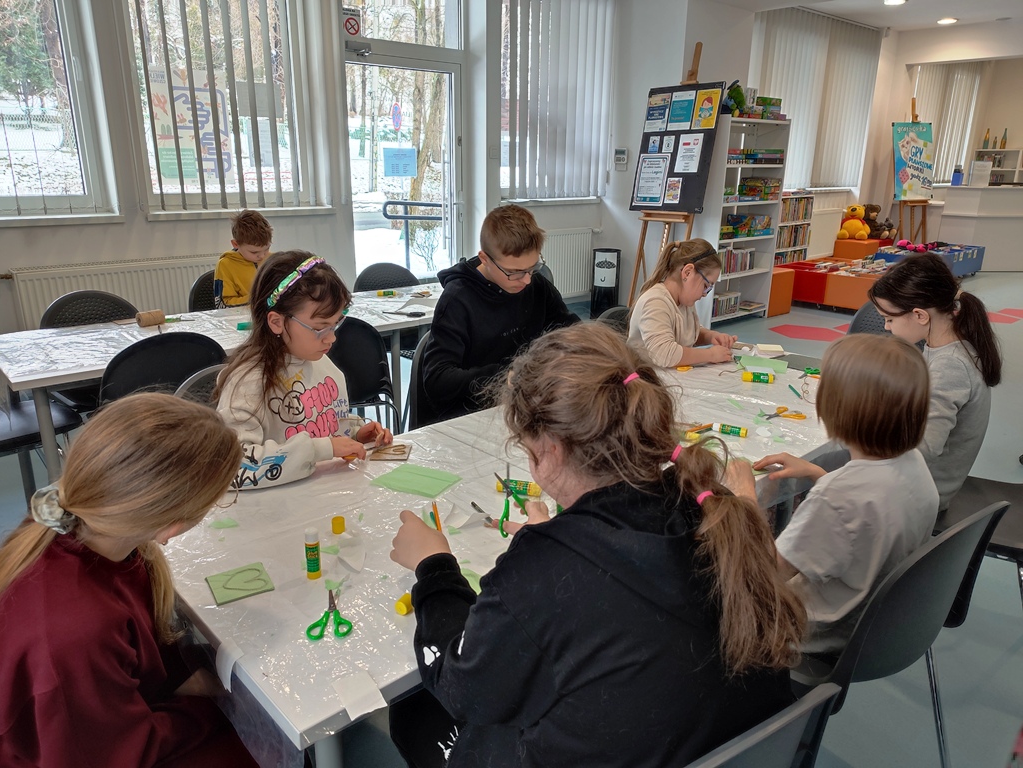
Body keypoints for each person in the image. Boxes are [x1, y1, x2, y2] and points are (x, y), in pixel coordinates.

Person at [389, 323, 806, 767]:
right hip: (748, 750)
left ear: (549, 451)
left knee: (413, 714)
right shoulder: (711, 506)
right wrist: (560, 540)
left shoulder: (540, 570)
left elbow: (462, 688)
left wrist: (434, 567)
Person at [0, 393, 258, 768]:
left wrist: (181, 679)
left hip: (99, 723)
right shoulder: (75, 632)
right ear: (170, 528)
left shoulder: (72, 525)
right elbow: (118, 753)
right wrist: (218, 707)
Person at [751, 334, 939, 655]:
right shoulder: (913, 464)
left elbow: (767, 571)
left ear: (835, 409)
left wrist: (745, 499)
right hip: (874, 621)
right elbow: (866, 513)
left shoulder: (835, 496)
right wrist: (817, 473)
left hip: (808, 629)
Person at [214, 250, 392, 489]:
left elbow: (321, 423)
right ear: (277, 322)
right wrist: (323, 449)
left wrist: (355, 433)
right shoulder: (248, 383)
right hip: (279, 505)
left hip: (323, 495)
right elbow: (233, 466)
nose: (331, 338)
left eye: (335, 324)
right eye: (319, 328)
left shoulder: (320, 362)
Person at [419, 204, 580, 425]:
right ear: (485, 259)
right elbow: (437, 380)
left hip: (521, 408)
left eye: (532, 268)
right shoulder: (458, 299)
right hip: (469, 416)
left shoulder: (537, 286)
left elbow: (572, 332)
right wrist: (506, 375)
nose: (526, 280)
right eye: (514, 272)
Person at [868, 252, 1002, 511]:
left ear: (920, 315)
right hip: (918, 483)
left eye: (889, 319)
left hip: (918, 495)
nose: (886, 327)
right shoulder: (945, 346)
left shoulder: (950, 366)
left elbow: (922, 449)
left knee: (821, 479)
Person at [627, 238, 737, 367]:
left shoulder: (684, 301)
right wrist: (711, 354)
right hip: (645, 375)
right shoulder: (655, 302)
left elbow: (686, 334)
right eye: (706, 286)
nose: (704, 294)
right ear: (687, 272)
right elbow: (665, 354)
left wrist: (711, 336)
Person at [214, 209, 273, 307]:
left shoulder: (272, 260)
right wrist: (256, 298)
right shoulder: (225, 265)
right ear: (236, 244)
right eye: (254, 252)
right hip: (242, 314)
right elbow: (223, 304)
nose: (262, 256)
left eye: (266, 249)